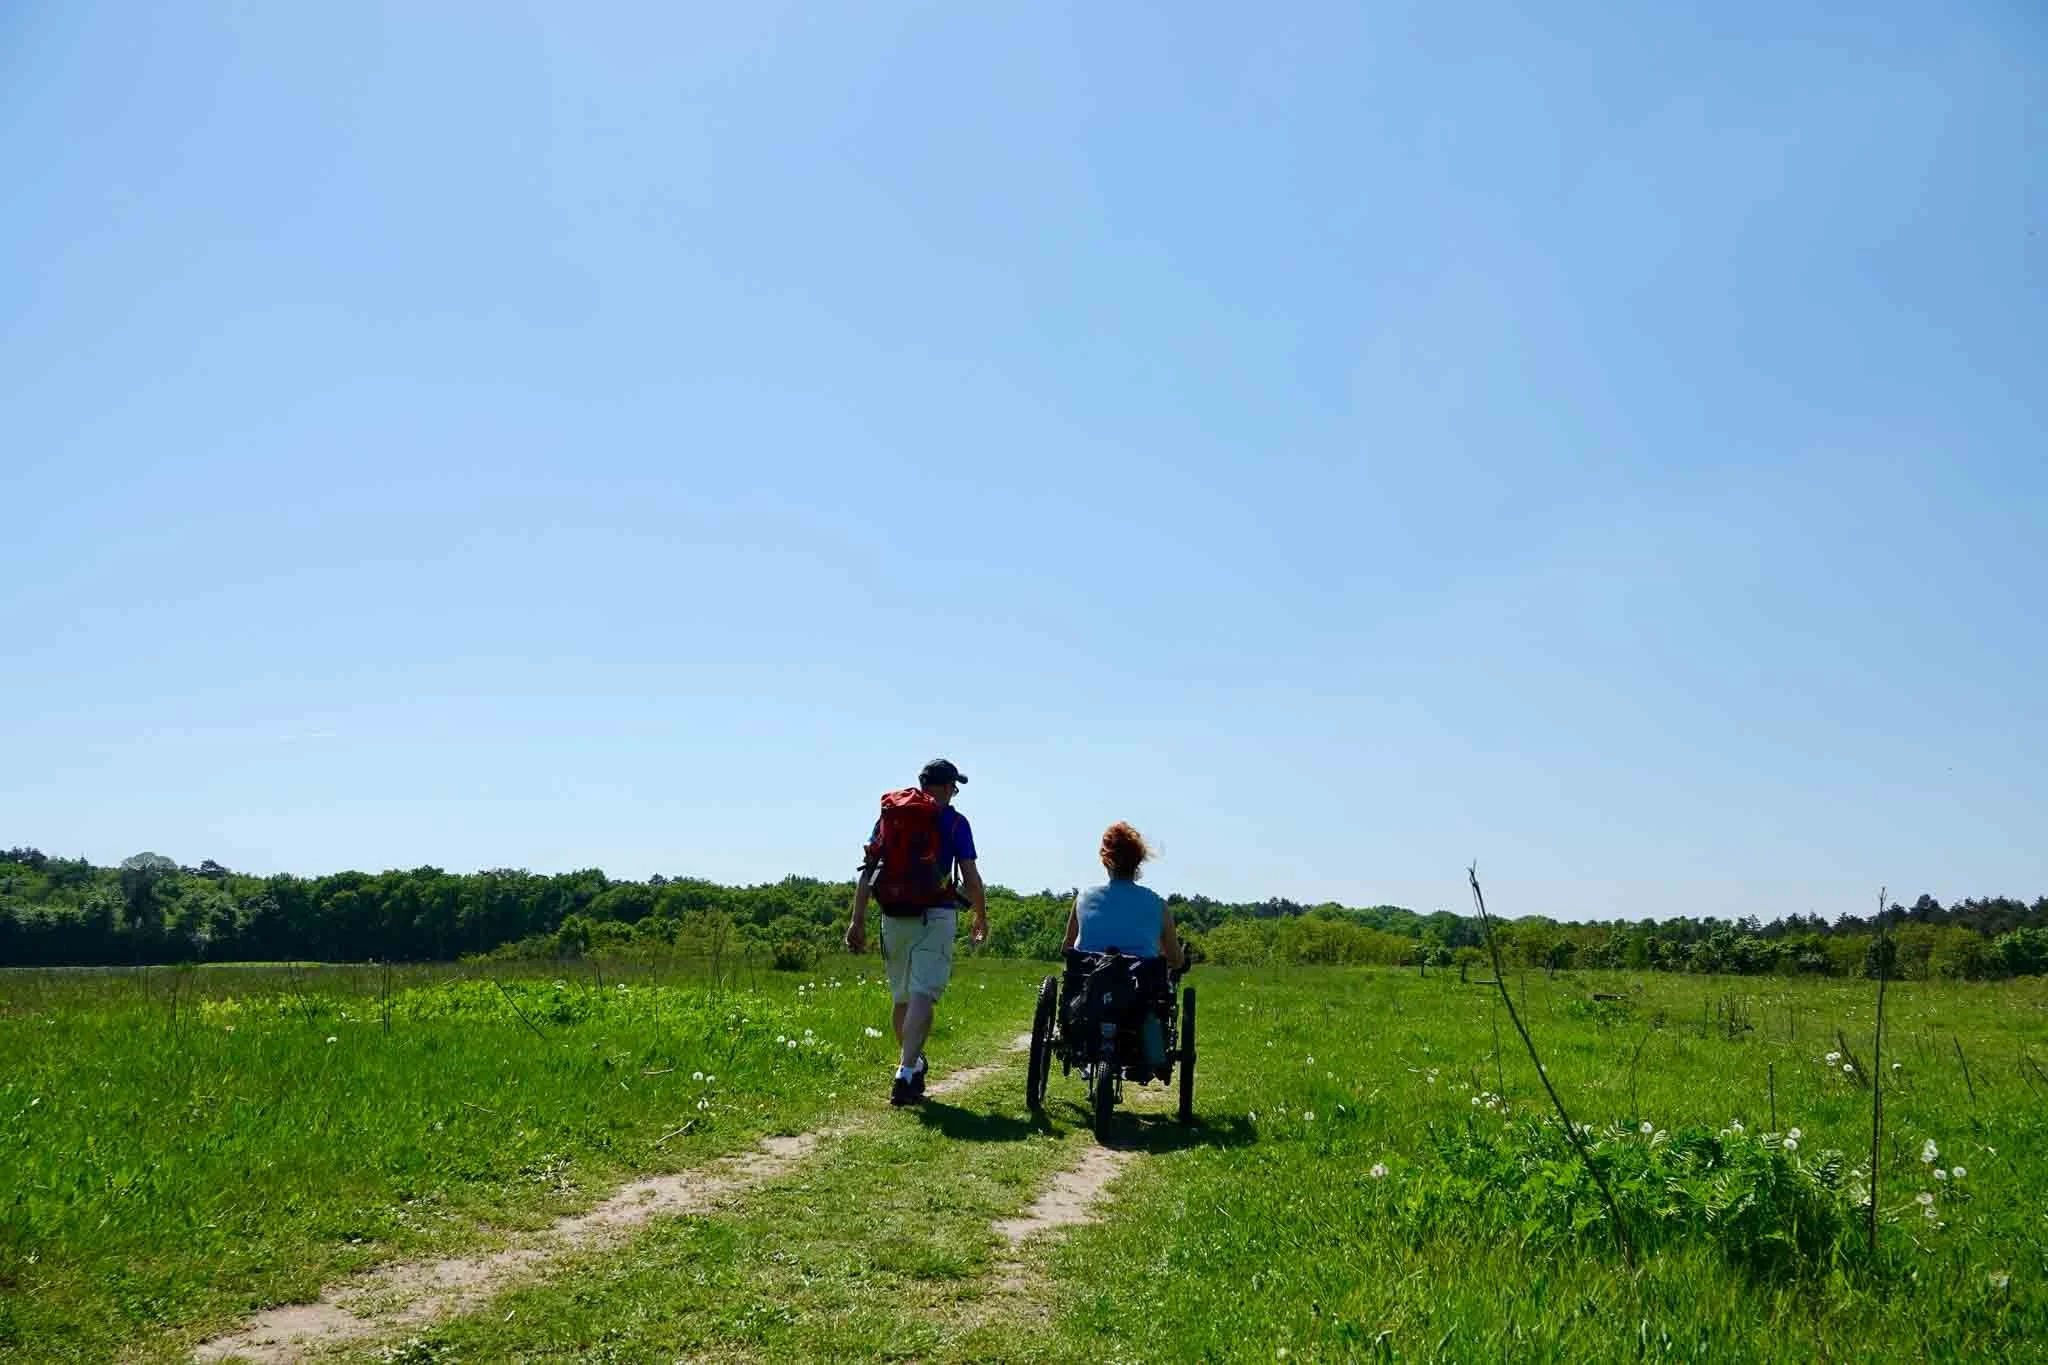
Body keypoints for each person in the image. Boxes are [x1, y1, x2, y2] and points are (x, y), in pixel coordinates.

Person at [844, 758, 988, 1106]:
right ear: (945, 787)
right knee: (923, 995)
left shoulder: (890, 818)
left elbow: (868, 871)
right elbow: (970, 876)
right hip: (937, 914)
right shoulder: (955, 822)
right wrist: (980, 915)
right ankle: (906, 1073)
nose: (954, 793)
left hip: (893, 914)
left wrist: (857, 920)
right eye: (954, 787)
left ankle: (912, 1064)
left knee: (902, 998)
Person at [1064, 821, 1184, 966]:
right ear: (1138, 861)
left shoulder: (1083, 899)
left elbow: (1066, 948)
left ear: (1105, 860)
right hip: (1142, 979)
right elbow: (1176, 960)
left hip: (1086, 977)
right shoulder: (1158, 904)